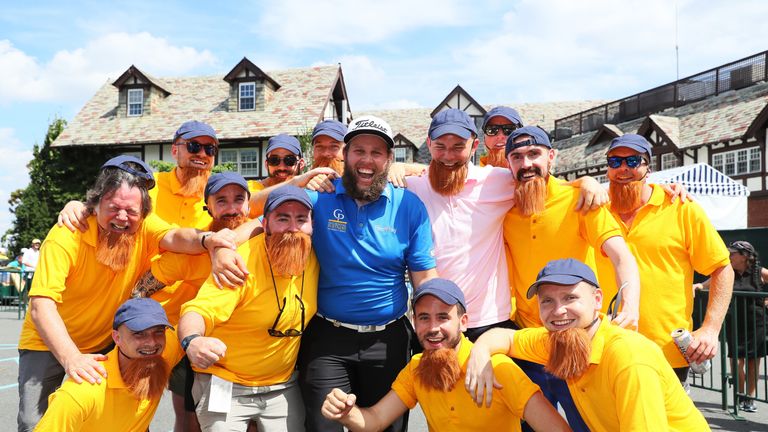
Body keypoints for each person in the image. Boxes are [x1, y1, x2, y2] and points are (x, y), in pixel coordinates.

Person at [17, 156, 236, 431]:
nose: (122, 217)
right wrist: (71, 357)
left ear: (143, 213)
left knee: (124, 411)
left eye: (131, 211)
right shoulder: (66, 236)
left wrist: (208, 240)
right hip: (47, 342)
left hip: (107, 340)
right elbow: (41, 306)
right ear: (94, 205)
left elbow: (177, 237)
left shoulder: (145, 227)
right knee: (33, 421)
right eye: (114, 208)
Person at [406, 109, 607, 341]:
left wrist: (587, 182)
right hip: (437, 319)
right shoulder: (412, 186)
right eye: (440, 146)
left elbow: (541, 179)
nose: (449, 156)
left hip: (490, 319)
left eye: (458, 147)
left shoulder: (497, 180)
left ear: (474, 147)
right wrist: (398, 167)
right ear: (429, 145)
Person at [297, 115, 438, 432]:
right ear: (344, 155)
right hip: (327, 340)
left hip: (388, 340)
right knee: (322, 427)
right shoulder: (320, 197)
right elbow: (258, 211)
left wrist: (435, 330)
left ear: (389, 159)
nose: (367, 160)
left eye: (377, 152)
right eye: (359, 150)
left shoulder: (408, 206)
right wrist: (218, 243)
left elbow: (425, 279)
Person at [502, 126, 641, 431]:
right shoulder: (503, 208)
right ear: (508, 163)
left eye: (534, 154)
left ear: (551, 157)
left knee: (591, 425)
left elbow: (621, 256)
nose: (526, 164)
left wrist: (630, 303)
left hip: (579, 341)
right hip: (529, 343)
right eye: (517, 156)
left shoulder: (581, 200)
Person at [466, 258, 710, 431]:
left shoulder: (628, 358)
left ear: (597, 300)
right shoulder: (557, 339)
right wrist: (480, 352)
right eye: (547, 301)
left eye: (570, 297)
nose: (558, 311)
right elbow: (506, 338)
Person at [321, 278, 570, 432]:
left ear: (463, 322)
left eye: (443, 317)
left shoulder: (498, 368)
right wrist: (346, 413)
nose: (433, 328)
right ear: (414, 322)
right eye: (424, 318)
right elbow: (375, 420)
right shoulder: (417, 367)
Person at [596, 134, 733, 386]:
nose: (623, 168)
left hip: (666, 352)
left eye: (633, 161)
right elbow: (553, 189)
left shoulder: (681, 207)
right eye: (614, 162)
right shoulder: (594, 210)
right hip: (605, 347)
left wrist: (710, 329)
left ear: (648, 167)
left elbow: (722, 268)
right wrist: (584, 183)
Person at [178, 185, 319, 431]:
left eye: (301, 219)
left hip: (282, 385)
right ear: (265, 225)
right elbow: (199, 310)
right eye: (282, 218)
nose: (293, 228)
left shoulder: (313, 255)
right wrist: (193, 341)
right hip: (225, 381)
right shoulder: (239, 263)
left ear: (312, 225)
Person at [35, 298, 182, 431]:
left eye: (158, 332)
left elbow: (197, 312)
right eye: (139, 334)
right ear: (117, 338)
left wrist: (195, 340)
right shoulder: (83, 390)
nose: (152, 342)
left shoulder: (161, 355)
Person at [697, 240, 767, 412]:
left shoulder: (760, 272)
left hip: (756, 323)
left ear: (744, 256)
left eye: (733, 253)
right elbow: (710, 283)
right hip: (735, 322)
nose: (730, 256)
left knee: (753, 363)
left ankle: (749, 398)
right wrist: (698, 286)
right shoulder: (728, 271)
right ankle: (740, 395)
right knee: (736, 362)